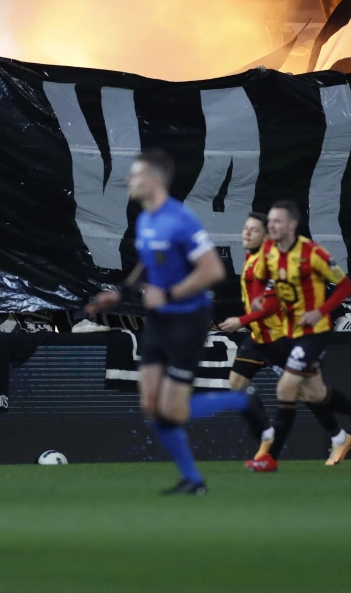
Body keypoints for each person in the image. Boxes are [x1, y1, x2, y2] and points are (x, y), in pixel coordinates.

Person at [85, 151, 265, 495]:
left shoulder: (181, 219)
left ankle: (242, 400)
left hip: (187, 321)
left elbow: (212, 271)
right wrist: (121, 292)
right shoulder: (145, 219)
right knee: (151, 407)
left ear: (153, 181)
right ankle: (193, 481)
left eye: (135, 175)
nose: (128, 181)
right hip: (159, 322)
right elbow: (147, 260)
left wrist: (168, 295)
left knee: (173, 411)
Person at [243, 201, 351, 473]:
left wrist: (320, 311)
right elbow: (259, 277)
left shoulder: (313, 253)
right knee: (316, 395)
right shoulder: (268, 252)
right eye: (270, 222)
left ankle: (270, 458)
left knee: (285, 388)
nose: (272, 226)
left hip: (314, 333)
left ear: (292, 225)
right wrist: (258, 298)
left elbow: (345, 286)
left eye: (278, 222)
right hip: (290, 332)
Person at [216, 213, 351, 466]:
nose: (246, 233)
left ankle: (339, 436)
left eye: (253, 230)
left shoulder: (273, 262)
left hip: (280, 338)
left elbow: (273, 304)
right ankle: (267, 434)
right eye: (245, 228)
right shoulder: (251, 256)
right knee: (236, 383)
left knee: (306, 393)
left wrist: (242, 320)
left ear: (267, 236)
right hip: (259, 336)